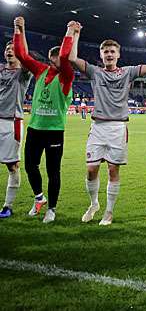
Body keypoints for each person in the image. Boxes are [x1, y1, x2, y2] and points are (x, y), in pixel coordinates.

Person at [69, 28, 146, 226]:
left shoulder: (128, 72)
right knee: (91, 169)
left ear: (118, 55)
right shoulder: (95, 72)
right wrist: (75, 34)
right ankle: (94, 205)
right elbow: (72, 58)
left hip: (118, 128)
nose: (109, 54)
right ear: (101, 55)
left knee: (112, 170)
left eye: (112, 51)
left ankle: (108, 212)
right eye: (105, 51)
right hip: (98, 126)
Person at [12, 17, 76, 223]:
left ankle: (52, 208)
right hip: (35, 128)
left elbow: (66, 56)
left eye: (57, 57)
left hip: (54, 130)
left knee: (53, 171)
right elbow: (21, 54)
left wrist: (69, 32)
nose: (54, 60)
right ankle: (39, 198)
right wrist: (19, 29)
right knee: (30, 166)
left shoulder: (66, 76)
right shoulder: (41, 71)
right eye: (52, 57)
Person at [0, 39, 32, 218]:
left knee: (12, 166)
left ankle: (7, 206)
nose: (9, 51)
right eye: (7, 48)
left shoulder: (23, 73)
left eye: (13, 49)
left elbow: (26, 58)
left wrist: (19, 30)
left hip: (12, 122)